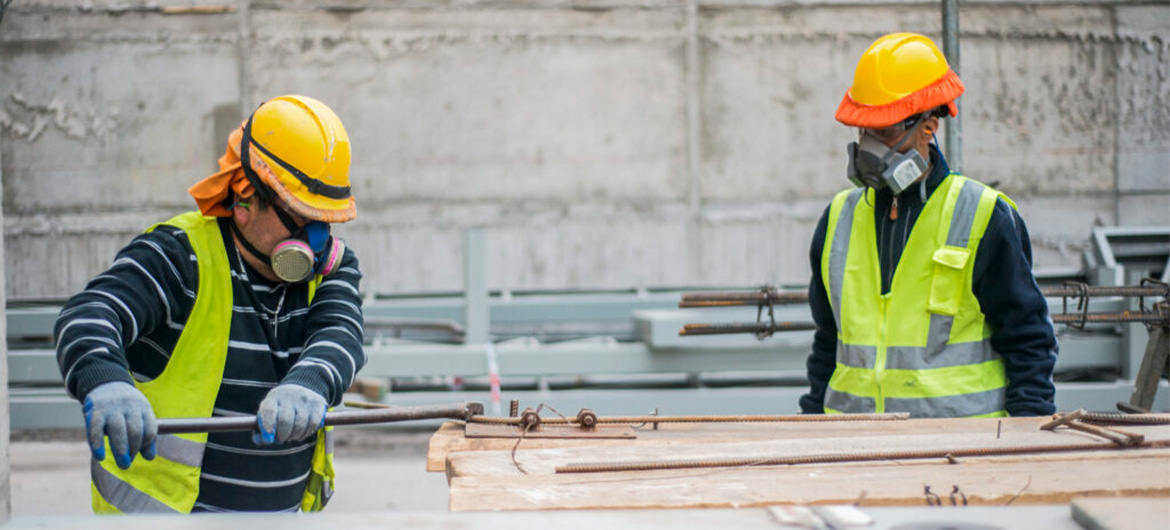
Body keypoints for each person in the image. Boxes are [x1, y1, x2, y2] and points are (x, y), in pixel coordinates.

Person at [55, 95, 366, 512]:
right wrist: (105, 378)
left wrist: (309, 381)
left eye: (326, 218)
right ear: (244, 199)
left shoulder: (331, 267)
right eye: (301, 216)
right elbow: (90, 314)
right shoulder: (180, 256)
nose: (318, 238)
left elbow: (340, 334)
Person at [799, 33, 1058, 418]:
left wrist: (1024, 441)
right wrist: (812, 426)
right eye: (863, 130)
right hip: (854, 449)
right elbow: (828, 343)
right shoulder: (839, 218)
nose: (869, 146)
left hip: (959, 453)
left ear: (929, 125)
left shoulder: (983, 215)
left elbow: (1028, 342)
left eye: (884, 132)